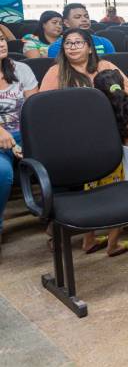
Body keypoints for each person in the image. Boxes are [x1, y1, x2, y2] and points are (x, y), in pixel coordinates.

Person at [79, 69, 128, 258]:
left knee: (90, 202)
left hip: (91, 165)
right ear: (120, 87)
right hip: (116, 167)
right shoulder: (125, 115)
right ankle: (113, 245)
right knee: (118, 207)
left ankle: (88, 240)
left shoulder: (90, 114)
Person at [0, 34, 38, 250]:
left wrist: (29, 139)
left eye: (1, 39)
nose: (1, 44)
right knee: (2, 172)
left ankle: (56, 219)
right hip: (1, 137)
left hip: (24, 132)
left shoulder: (21, 69)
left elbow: (34, 109)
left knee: (57, 154)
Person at [41, 28, 128, 98]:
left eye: (78, 42)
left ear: (90, 49)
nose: (73, 47)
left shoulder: (105, 65)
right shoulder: (56, 70)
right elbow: (43, 101)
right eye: (68, 43)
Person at [47, 3, 115, 57]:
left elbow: (112, 66)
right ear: (66, 23)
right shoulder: (56, 47)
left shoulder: (104, 42)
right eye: (77, 17)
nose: (84, 19)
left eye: (86, 16)